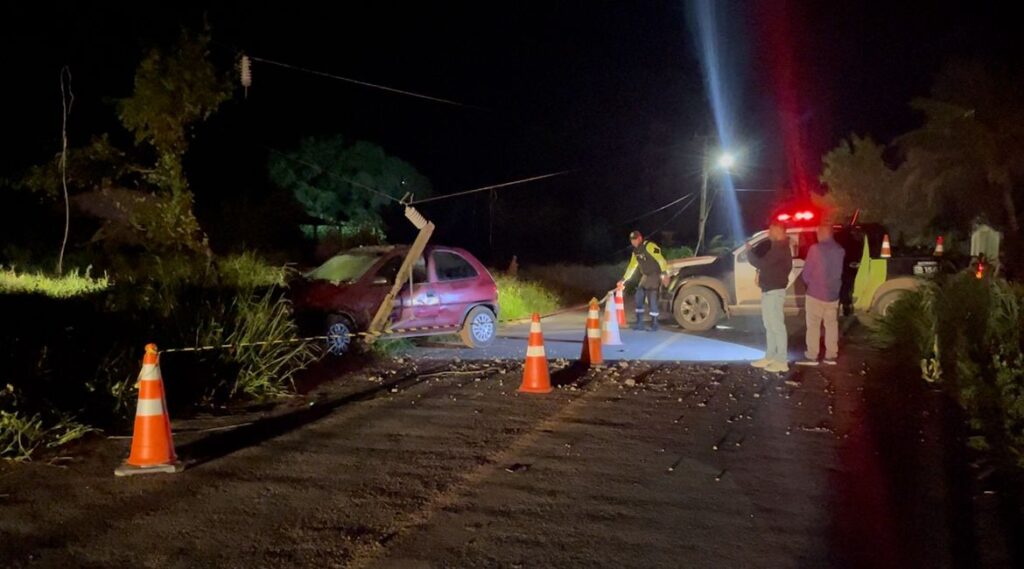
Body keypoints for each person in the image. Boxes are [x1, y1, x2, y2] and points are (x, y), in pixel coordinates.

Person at [747, 221, 793, 373]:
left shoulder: (780, 248)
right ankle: (770, 356)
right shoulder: (778, 247)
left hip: (774, 291)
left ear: (779, 231)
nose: (769, 234)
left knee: (777, 326)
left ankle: (781, 360)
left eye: (771, 231)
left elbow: (761, 263)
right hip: (769, 290)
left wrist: (749, 251)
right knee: (769, 325)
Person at [797, 224, 846, 366]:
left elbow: (806, 273)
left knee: (813, 325)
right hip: (833, 295)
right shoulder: (839, 250)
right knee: (831, 325)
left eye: (818, 232)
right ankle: (831, 355)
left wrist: (809, 283)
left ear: (823, 233)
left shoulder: (815, 249)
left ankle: (812, 355)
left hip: (816, 293)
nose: (817, 235)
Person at [617, 230, 669, 331]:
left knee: (652, 300)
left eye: (635, 239)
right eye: (632, 240)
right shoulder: (635, 252)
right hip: (645, 276)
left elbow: (661, 259)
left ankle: (655, 325)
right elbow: (632, 267)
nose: (633, 242)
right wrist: (623, 279)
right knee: (638, 297)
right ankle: (639, 323)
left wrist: (664, 272)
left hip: (655, 275)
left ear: (640, 238)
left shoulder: (650, 246)